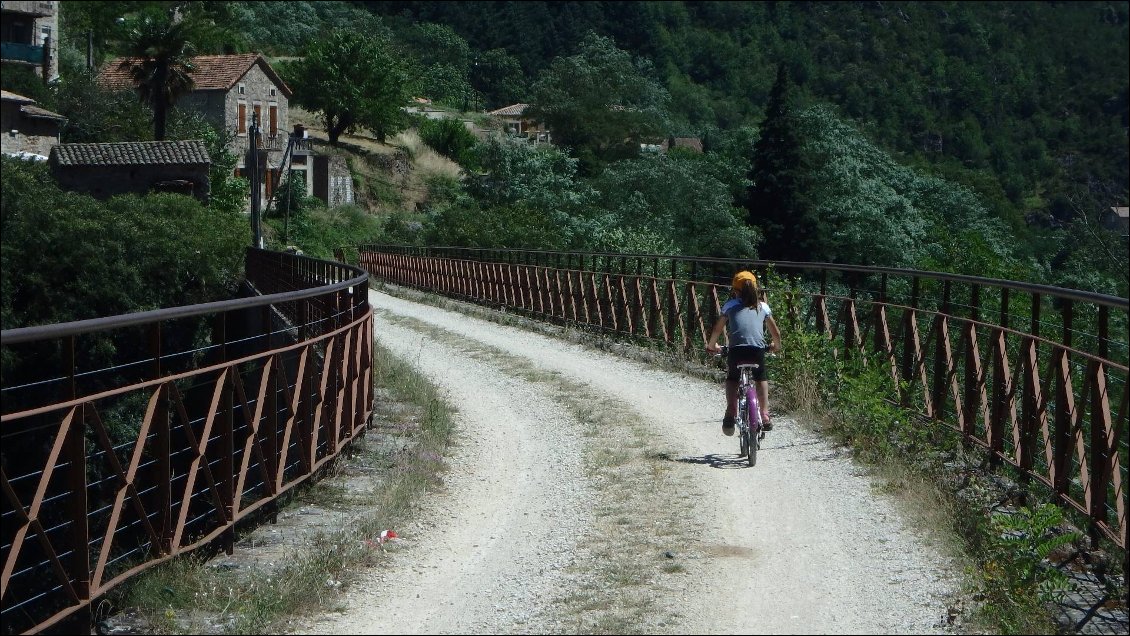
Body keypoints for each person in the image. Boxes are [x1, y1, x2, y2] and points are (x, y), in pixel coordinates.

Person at [705, 271, 782, 436]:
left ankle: (731, 412)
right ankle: (765, 414)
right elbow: (776, 334)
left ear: (735, 290)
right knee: (761, 377)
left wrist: (711, 346)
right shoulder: (763, 307)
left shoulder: (730, 305)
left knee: (733, 378)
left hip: (736, 350)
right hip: (757, 350)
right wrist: (776, 346)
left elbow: (717, 329)